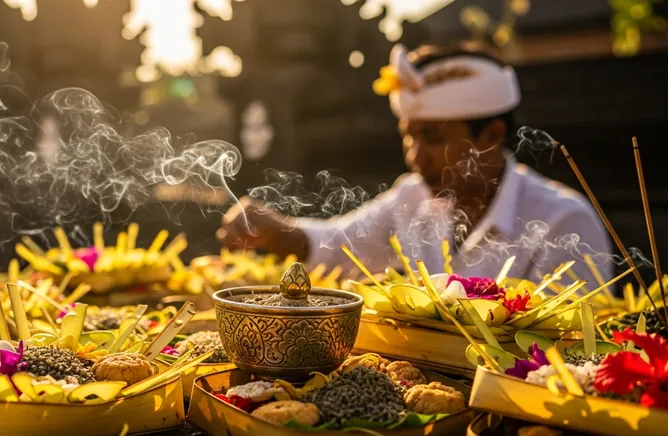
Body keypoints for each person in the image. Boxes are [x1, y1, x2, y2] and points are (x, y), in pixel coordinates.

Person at [216, 43, 612, 284]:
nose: (414, 155)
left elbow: (565, 355)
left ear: (491, 136)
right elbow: (342, 246)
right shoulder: (412, 198)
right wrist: (278, 231)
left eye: (434, 139)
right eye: (409, 136)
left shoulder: (564, 222)